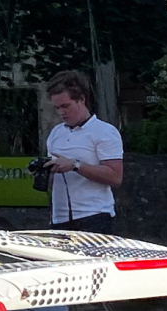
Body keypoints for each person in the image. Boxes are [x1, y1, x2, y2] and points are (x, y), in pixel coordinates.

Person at [42, 71, 124, 224]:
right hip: (59, 218)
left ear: (81, 99)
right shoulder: (56, 133)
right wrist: (44, 172)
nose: (61, 112)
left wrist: (75, 165)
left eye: (66, 106)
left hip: (94, 215)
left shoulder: (104, 131)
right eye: (57, 108)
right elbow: (54, 180)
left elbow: (115, 177)